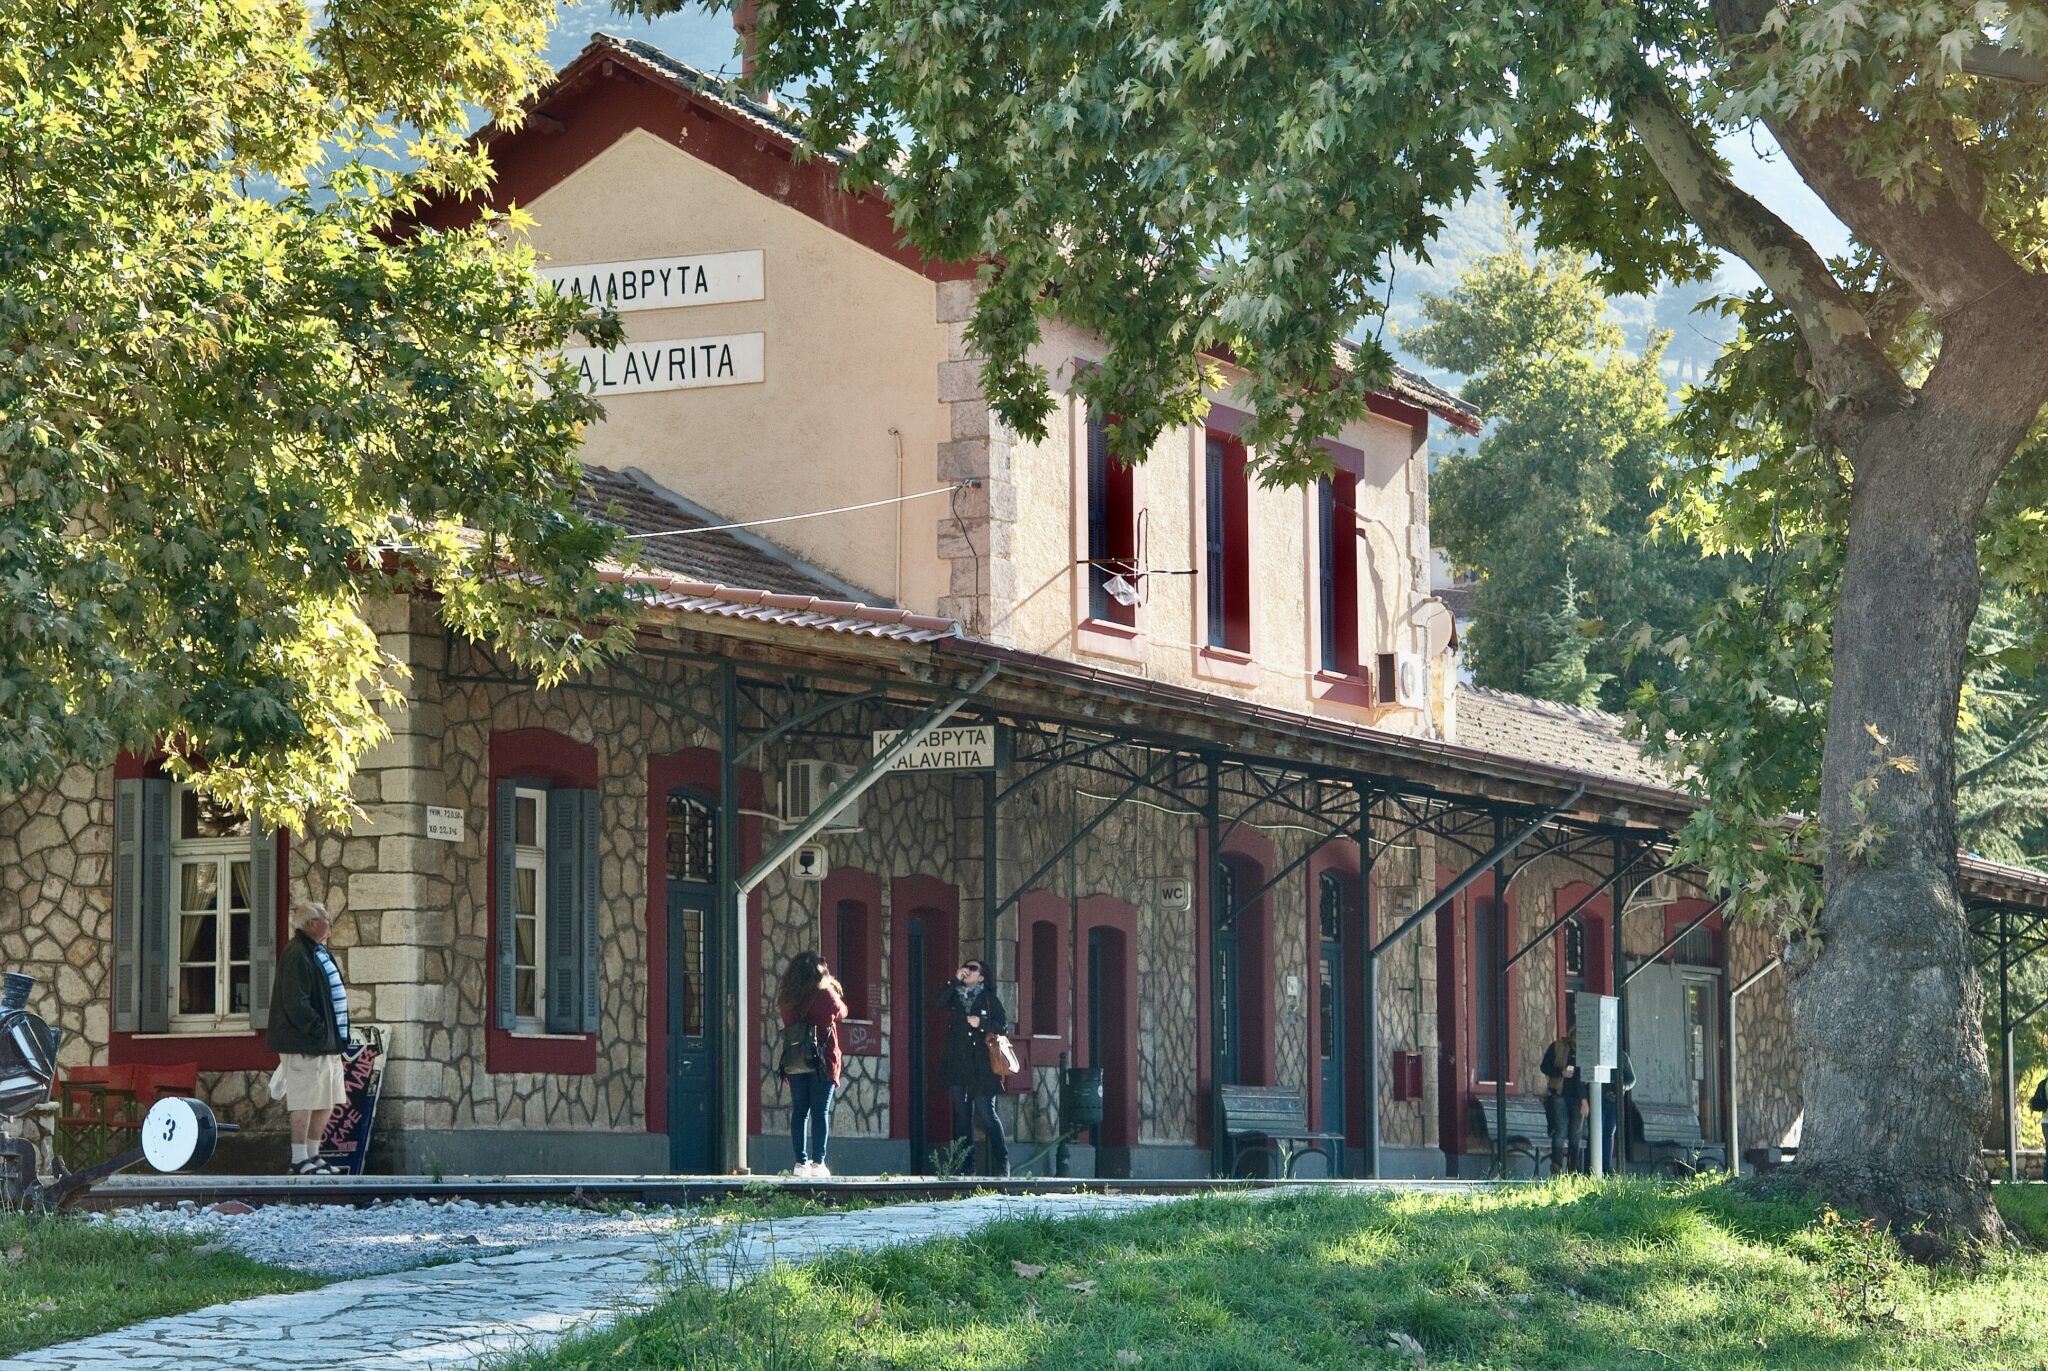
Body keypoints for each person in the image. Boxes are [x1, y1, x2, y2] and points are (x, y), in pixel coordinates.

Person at [265, 900, 351, 1175]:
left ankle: (314, 1156)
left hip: (326, 1043)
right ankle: (299, 1159)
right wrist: (319, 1030)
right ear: (311, 924)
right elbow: (296, 1003)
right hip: (307, 1044)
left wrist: (333, 1035)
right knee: (305, 1100)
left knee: (326, 1099)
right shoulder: (297, 954)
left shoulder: (317, 951)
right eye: (326, 919)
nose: (330, 925)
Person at [776, 952, 848, 1178]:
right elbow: (841, 1011)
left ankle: (800, 1163)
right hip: (822, 1060)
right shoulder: (824, 994)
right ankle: (818, 1163)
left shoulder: (787, 999)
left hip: (796, 1059)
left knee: (799, 1111)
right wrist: (830, 986)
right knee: (820, 1111)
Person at [939, 959, 1009, 1177]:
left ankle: (1002, 1161)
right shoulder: (955, 997)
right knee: (962, 1116)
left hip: (983, 1067)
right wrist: (953, 980)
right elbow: (939, 1002)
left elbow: (1002, 1026)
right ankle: (966, 1165)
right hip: (958, 1065)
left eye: (973, 969)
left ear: (981, 977)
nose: (967, 971)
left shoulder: (989, 1000)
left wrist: (982, 1023)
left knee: (986, 1112)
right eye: (965, 967)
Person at [1539, 1027, 1581, 1176]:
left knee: (1575, 1134)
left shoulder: (1585, 1052)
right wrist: (1560, 1072)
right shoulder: (1557, 1047)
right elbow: (1544, 1067)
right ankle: (1556, 1168)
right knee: (1561, 1131)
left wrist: (1584, 1099)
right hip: (1559, 1095)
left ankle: (1572, 1169)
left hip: (1577, 1097)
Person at [1598, 1048, 1636, 1174]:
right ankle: (1594, 1167)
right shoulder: (1599, 1052)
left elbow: (1631, 1079)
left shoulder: (1622, 1057)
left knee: (1608, 1134)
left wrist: (1623, 1086)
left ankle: (1606, 1168)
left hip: (1614, 1101)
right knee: (1597, 1133)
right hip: (1599, 1099)